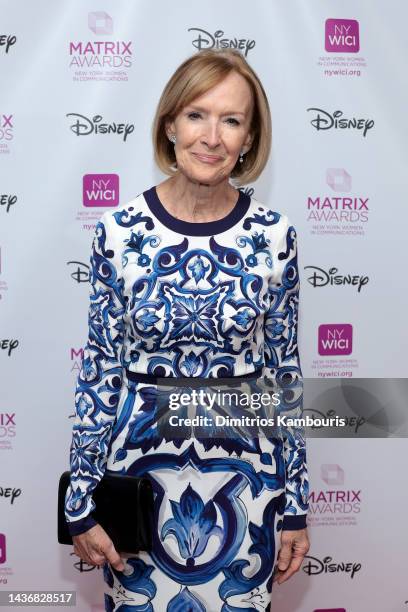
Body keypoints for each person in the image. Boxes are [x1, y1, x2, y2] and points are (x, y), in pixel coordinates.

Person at [64, 48, 310, 611]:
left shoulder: (276, 237)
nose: (212, 137)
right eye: (197, 114)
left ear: (249, 138)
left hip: (248, 488)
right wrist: (79, 498)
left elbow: (284, 375)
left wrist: (295, 502)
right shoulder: (118, 232)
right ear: (169, 124)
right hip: (138, 488)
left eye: (232, 120)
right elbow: (100, 371)